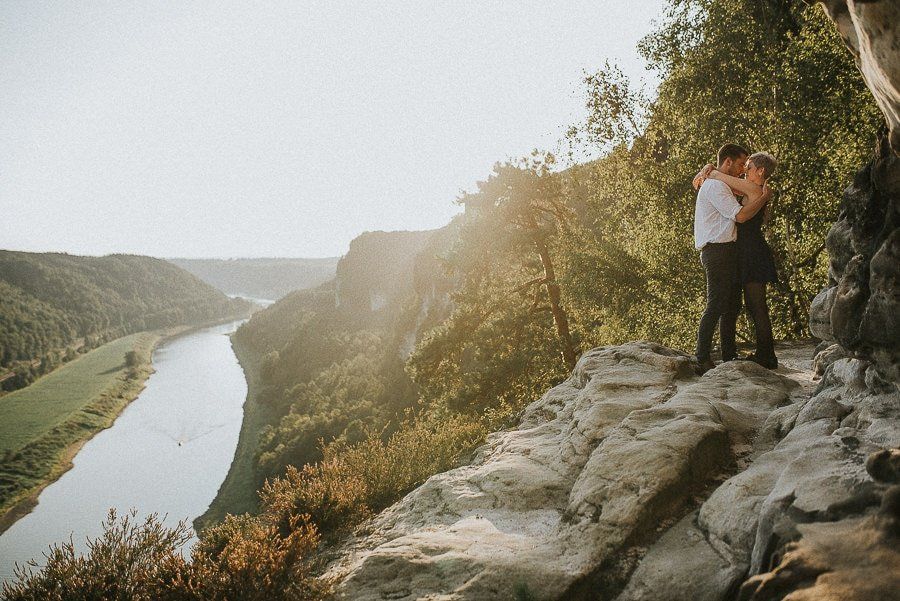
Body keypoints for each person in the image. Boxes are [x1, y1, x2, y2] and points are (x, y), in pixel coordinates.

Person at [692, 144, 770, 375]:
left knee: (731, 306)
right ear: (727, 162)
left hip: (727, 250)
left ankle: (728, 353)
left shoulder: (721, 183)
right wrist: (764, 197)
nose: (741, 170)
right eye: (739, 165)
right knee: (716, 304)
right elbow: (741, 215)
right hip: (717, 251)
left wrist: (708, 169)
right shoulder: (716, 186)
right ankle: (702, 357)